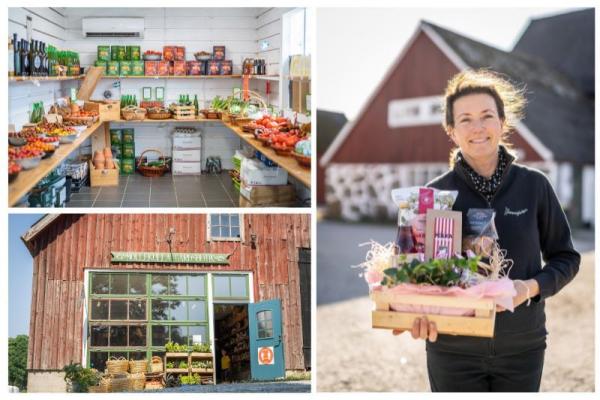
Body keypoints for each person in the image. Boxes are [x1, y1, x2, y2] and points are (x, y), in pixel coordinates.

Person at [393, 69, 581, 392]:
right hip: (453, 351)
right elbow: (408, 276)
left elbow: (566, 258)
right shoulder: (432, 197)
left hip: (522, 348)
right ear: (451, 131)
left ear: (502, 123)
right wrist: (414, 314)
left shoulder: (534, 186)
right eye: (465, 119)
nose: (477, 127)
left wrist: (530, 288)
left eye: (486, 116)